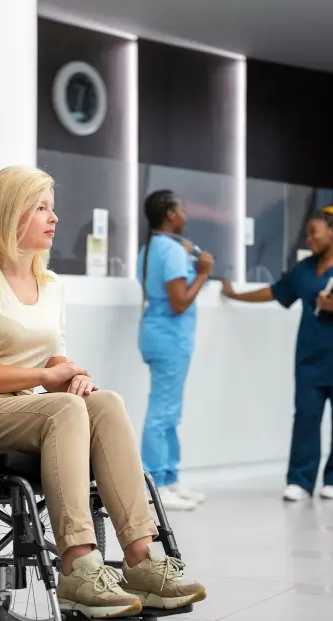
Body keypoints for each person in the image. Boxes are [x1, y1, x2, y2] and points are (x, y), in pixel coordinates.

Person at [0, 166, 207, 619]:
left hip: (19, 408)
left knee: (104, 402)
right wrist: (50, 380)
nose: (54, 218)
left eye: (52, 208)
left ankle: (142, 558)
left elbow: (54, 362)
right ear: (9, 214)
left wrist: (70, 376)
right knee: (65, 410)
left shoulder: (51, 285)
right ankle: (77, 567)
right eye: (41, 208)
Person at [221, 206, 333, 502]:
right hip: (310, 359)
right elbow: (275, 292)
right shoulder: (304, 270)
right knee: (305, 417)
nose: (309, 239)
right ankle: (300, 480)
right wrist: (235, 295)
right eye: (307, 234)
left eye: (314, 233)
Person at [135, 190, 213, 511]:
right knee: (162, 412)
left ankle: (169, 478)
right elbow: (180, 302)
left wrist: (192, 262)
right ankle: (154, 483)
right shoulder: (170, 251)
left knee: (170, 410)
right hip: (169, 338)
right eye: (181, 209)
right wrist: (204, 272)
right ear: (170, 214)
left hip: (160, 334)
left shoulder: (153, 247)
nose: (185, 215)